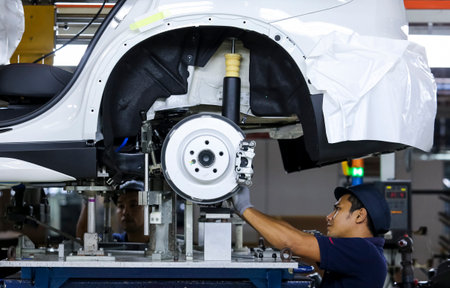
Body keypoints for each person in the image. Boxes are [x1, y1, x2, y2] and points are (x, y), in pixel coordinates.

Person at [232, 183, 391, 288]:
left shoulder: (363, 251)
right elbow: (295, 235)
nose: (329, 216)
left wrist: (244, 208)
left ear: (359, 216)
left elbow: (293, 242)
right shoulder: (366, 252)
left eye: (338, 209)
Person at [76, 180, 149, 243]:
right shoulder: (115, 242)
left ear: (149, 209)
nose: (125, 212)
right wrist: (88, 198)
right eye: (121, 206)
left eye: (133, 205)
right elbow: (83, 241)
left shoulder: (157, 245)